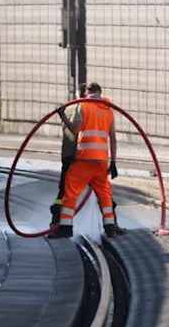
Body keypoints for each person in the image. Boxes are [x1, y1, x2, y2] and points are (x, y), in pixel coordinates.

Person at [49, 83, 125, 239]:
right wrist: (114, 162)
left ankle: (65, 227)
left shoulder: (81, 107)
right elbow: (113, 139)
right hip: (101, 161)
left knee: (70, 193)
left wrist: (62, 115)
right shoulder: (108, 110)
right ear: (100, 92)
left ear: (85, 93)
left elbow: (75, 130)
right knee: (104, 194)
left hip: (83, 159)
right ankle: (110, 227)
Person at [50, 84, 87, 227]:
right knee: (101, 190)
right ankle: (110, 222)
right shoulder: (87, 109)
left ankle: (56, 221)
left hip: (67, 155)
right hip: (83, 156)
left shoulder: (67, 109)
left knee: (64, 191)